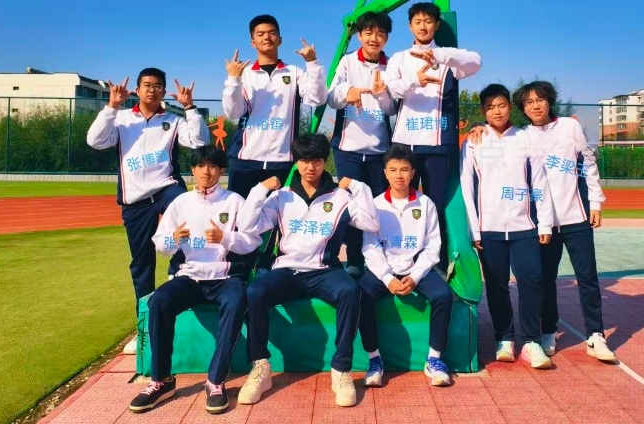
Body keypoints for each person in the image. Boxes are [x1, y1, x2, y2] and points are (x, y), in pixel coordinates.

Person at [235, 134, 379, 408]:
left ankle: (341, 369)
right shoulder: (281, 197)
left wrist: (357, 186)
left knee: (350, 291)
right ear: (296, 162)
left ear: (325, 162)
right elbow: (247, 226)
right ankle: (260, 367)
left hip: (324, 271)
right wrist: (260, 189)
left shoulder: (340, 197)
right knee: (255, 292)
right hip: (287, 270)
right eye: (303, 160)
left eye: (316, 161)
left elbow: (372, 223)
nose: (310, 167)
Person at [128, 145, 261, 414]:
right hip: (189, 276)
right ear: (193, 170)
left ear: (221, 171)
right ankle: (162, 380)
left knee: (237, 301)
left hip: (225, 277)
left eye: (212, 166)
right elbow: (160, 243)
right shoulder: (181, 203)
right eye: (201, 166)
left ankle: (215, 381)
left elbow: (252, 241)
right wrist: (173, 239)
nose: (206, 172)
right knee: (159, 300)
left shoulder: (235, 201)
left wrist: (226, 238)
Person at [86, 68, 209, 355]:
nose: (152, 90)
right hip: (135, 200)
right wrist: (111, 106)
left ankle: (178, 271)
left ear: (164, 91)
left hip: (166, 188)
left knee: (189, 211)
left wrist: (190, 107)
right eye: (146, 85)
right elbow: (95, 141)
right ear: (138, 90)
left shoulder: (173, 121)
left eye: (157, 86)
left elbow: (199, 141)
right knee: (141, 264)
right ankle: (144, 328)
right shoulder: (121, 120)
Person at [514, 81, 614, 362]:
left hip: (577, 217)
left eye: (540, 99)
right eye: (529, 102)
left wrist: (595, 202)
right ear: (523, 109)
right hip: (543, 223)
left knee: (587, 277)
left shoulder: (570, 127)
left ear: (549, 101)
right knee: (546, 279)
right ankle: (548, 331)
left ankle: (595, 335)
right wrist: (478, 127)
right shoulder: (522, 137)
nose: (535, 106)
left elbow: (588, 164)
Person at [222, 15, 327, 271]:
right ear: (252, 42)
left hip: (283, 161)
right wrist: (233, 80)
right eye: (260, 34)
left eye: (271, 33)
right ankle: (237, 272)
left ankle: (268, 269)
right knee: (240, 219)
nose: (266, 37)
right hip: (246, 159)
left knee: (280, 219)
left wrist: (313, 63)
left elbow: (317, 98)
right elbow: (233, 112)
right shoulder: (244, 74)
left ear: (280, 39)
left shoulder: (294, 73)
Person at [460, 84, 554, 369]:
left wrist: (545, 222)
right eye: (490, 107)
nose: (497, 111)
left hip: (524, 226)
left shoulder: (525, 138)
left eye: (501, 105)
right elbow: (467, 187)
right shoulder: (474, 141)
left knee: (532, 279)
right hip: (488, 229)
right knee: (496, 285)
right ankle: (504, 337)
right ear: (483, 111)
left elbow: (539, 182)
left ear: (510, 107)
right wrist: (474, 228)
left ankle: (532, 341)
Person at [383, 2, 481, 268]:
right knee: (401, 202)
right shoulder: (399, 58)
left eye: (428, 21)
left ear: (436, 25)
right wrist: (416, 80)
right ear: (410, 26)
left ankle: (435, 262)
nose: (423, 26)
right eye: (418, 21)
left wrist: (439, 56)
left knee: (435, 203)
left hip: (437, 143)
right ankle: (399, 258)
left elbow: (476, 62)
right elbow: (392, 90)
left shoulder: (448, 58)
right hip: (405, 143)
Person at [358, 145, 453, 387]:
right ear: (385, 173)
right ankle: (374, 359)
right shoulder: (375, 205)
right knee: (360, 296)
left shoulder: (426, 203)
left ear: (412, 173)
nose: (399, 175)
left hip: (416, 268)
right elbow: (370, 246)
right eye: (393, 170)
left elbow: (432, 245)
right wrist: (387, 278)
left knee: (443, 295)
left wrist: (416, 276)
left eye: (404, 170)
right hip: (384, 270)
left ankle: (434, 359)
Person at [327, 10, 395, 277]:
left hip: (380, 151)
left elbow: (392, 108)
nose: (374, 38)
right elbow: (332, 98)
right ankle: (354, 258)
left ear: (386, 38)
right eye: (368, 33)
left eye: (380, 34)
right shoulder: (347, 62)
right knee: (352, 206)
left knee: (377, 207)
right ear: (359, 36)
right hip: (348, 149)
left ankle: (378, 260)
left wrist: (380, 95)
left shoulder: (392, 65)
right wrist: (348, 91)